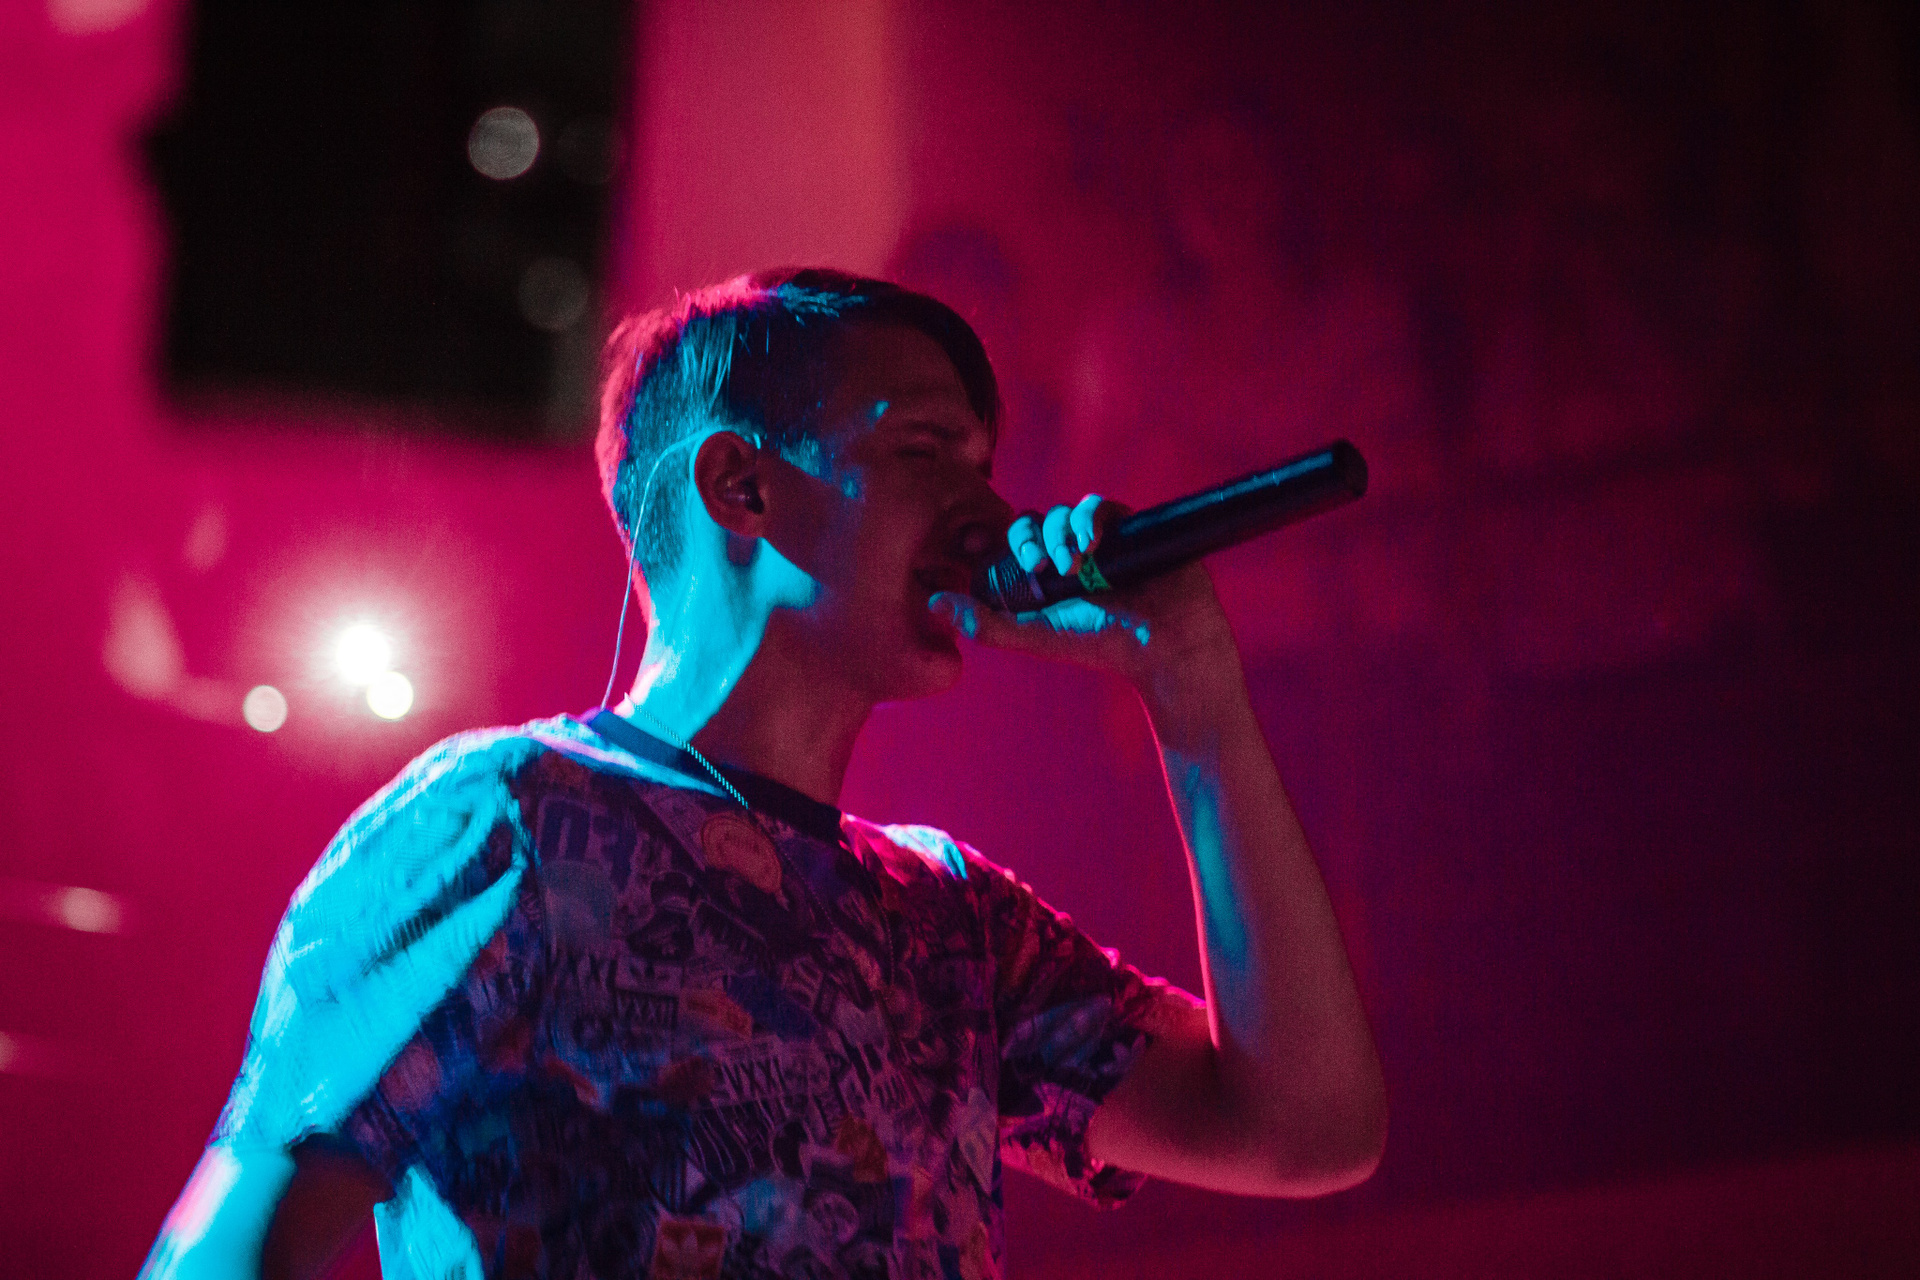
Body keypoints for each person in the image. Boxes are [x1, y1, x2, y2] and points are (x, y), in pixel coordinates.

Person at [139, 269, 1385, 1280]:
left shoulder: (944, 913)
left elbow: (1306, 1128)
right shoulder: (508, 817)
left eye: (985, 462)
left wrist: (1193, 690)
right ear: (741, 484)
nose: (988, 508)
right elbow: (239, 1240)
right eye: (927, 451)